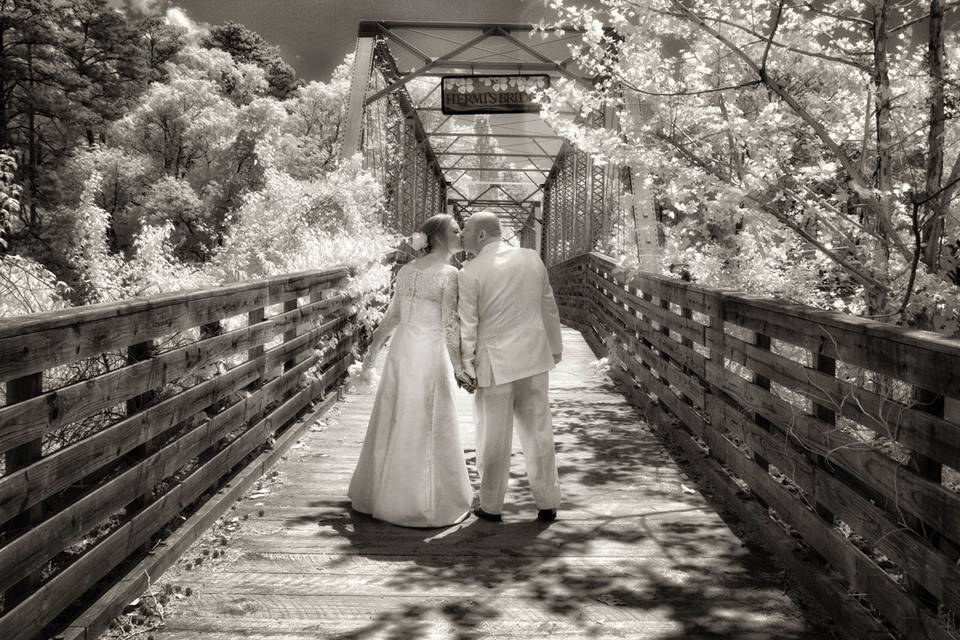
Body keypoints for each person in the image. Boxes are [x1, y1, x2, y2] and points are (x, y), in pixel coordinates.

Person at [347, 214, 473, 528]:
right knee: (426, 421)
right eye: (456, 230)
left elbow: (393, 316)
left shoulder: (407, 270)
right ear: (441, 237)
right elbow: (448, 326)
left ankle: (380, 494)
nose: (461, 234)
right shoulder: (450, 273)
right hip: (429, 353)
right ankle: (421, 502)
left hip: (402, 350)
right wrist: (459, 367)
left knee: (396, 415)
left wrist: (373, 351)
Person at [457, 211, 563, 523]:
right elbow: (548, 306)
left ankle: (491, 505)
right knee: (539, 430)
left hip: (495, 362)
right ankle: (547, 501)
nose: (461, 235)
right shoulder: (531, 259)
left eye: (465, 230)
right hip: (533, 357)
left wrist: (466, 366)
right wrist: (554, 349)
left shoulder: (470, 271)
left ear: (481, 236)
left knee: (493, 435)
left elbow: (468, 326)